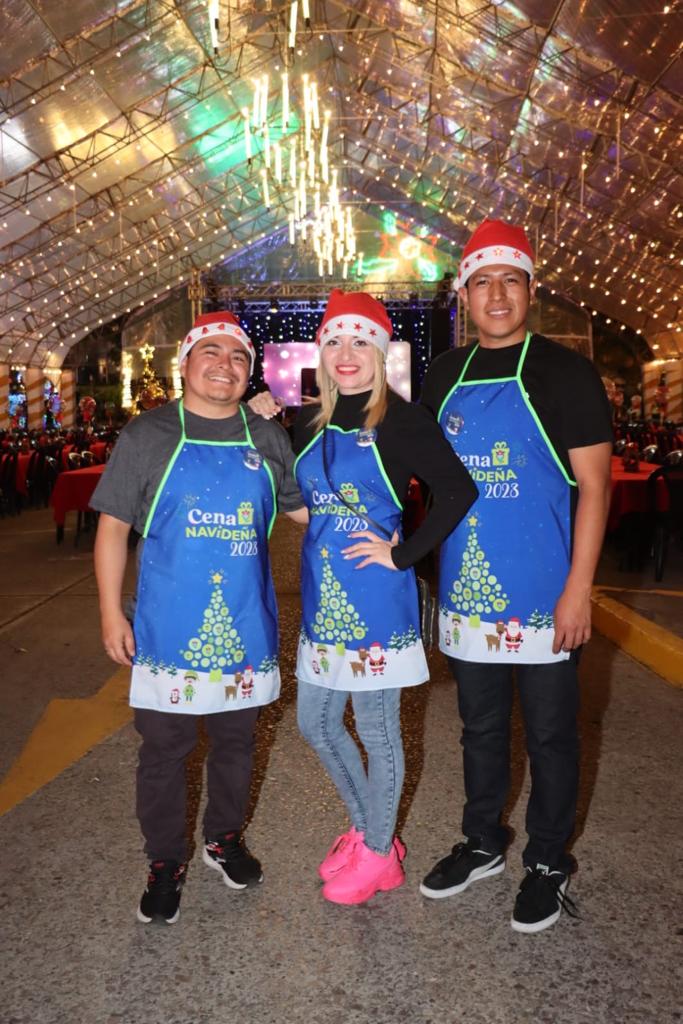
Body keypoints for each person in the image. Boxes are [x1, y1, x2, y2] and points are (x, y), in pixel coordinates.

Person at [251, 290, 477, 905]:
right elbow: (304, 514)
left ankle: (380, 854)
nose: (346, 354)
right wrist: (257, 422)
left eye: (359, 342)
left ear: (379, 351)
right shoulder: (308, 419)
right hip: (325, 600)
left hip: (377, 598)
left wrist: (400, 554)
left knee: (377, 731)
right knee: (315, 722)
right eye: (334, 342)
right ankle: (371, 830)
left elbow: (458, 490)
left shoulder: (402, 420)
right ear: (320, 354)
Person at [419, 219, 613, 933]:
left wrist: (576, 589)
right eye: (480, 282)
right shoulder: (442, 377)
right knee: (478, 728)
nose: (495, 295)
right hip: (469, 593)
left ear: (530, 289)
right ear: (463, 296)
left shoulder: (565, 373)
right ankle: (482, 841)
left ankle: (548, 861)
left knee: (551, 736)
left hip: (544, 593)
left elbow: (594, 487)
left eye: (509, 280)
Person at [92, 311, 307, 925]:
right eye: (210, 352)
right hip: (165, 627)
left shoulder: (266, 437)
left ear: (250, 373)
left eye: (238, 357)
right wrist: (111, 613)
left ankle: (223, 839)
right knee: (164, 750)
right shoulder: (148, 435)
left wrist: (380, 537)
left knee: (237, 743)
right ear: (184, 365)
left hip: (246, 623)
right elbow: (111, 530)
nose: (225, 364)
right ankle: (165, 860)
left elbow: (301, 513)